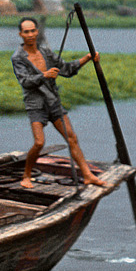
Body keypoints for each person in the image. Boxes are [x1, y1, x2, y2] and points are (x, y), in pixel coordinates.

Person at [11, 17, 102, 189]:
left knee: (72, 138)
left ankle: (88, 175)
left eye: (32, 31)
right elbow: (25, 81)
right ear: (20, 34)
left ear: (37, 32)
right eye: (26, 32)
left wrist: (87, 58)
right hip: (36, 105)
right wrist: (44, 75)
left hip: (53, 101)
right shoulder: (18, 57)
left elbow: (66, 69)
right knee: (39, 143)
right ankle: (26, 174)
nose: (30, 35)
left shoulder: (46, 52)